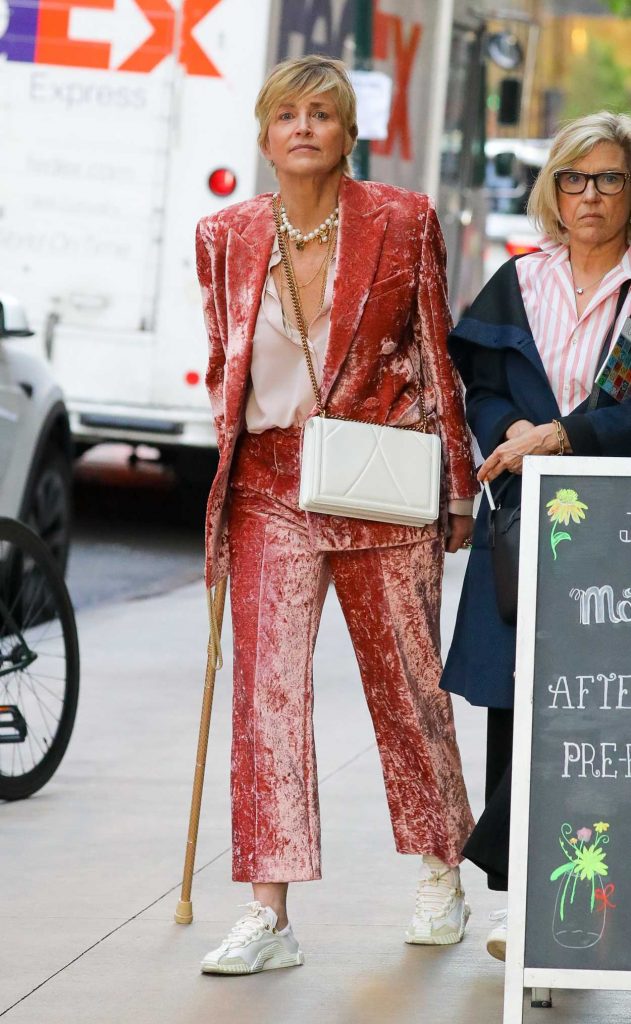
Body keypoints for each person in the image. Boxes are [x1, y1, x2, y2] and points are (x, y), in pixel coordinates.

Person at [195, 54, 478, 975]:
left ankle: (441, 870)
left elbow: (434, 352)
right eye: (287, 115)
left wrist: (457, 483)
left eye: (322, 113)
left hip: (380, 478)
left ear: (348, 134)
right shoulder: (225, 235)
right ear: (265, 133)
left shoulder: (402, 221)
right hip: (270, 485)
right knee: (266, 698)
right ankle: (268, 911)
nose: (304, 127)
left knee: (407, 685)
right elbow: (223, 364)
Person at [440, 110, 631, 962]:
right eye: (573, 178)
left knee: (599, 714)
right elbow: (479, 385)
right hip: (529, 522)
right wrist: (512, 435)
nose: (588, 196)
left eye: (608, 179)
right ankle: (517, 901)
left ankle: (589, 894)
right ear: (552, 188)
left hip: (617, 530)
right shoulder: (519, 280)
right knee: (519, 707)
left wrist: (564, 436)